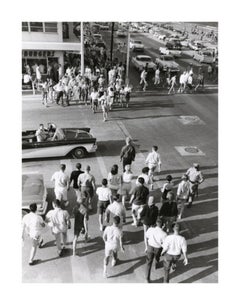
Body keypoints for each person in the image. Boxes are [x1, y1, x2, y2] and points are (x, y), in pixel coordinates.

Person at [145, 217, 167, 283]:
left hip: (150, 247)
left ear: (156, 223)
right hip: (158, 248)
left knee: (148, 263)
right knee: (157, 256)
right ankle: (156, 263)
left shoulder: (150, 229)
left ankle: (147, 278)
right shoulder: (164, 234)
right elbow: (164, 244)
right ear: (163, 225)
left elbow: (146, 236)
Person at [72, 191, 89, 256]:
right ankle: (85, 239)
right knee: (84, 232)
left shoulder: (75, 208)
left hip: (76, 224)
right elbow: (85, 221)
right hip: (82, 225)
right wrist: (86, 230)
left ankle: (74, 252)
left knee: (75, 238)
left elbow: (73, 214)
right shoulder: (85, 210)